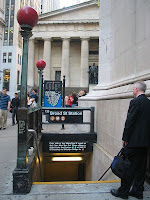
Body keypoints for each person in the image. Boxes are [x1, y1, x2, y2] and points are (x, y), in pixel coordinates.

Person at [111, 81, 150, 199]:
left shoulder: (135, 102)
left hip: (133, 142)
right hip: (145, 142)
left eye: (133, 89)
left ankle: (123, 192)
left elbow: (130, 122)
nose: (133, 91)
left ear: (137, 89)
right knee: (141, 168)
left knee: (128, 167)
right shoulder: (149, 103)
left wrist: (125, 138)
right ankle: (137, 192)